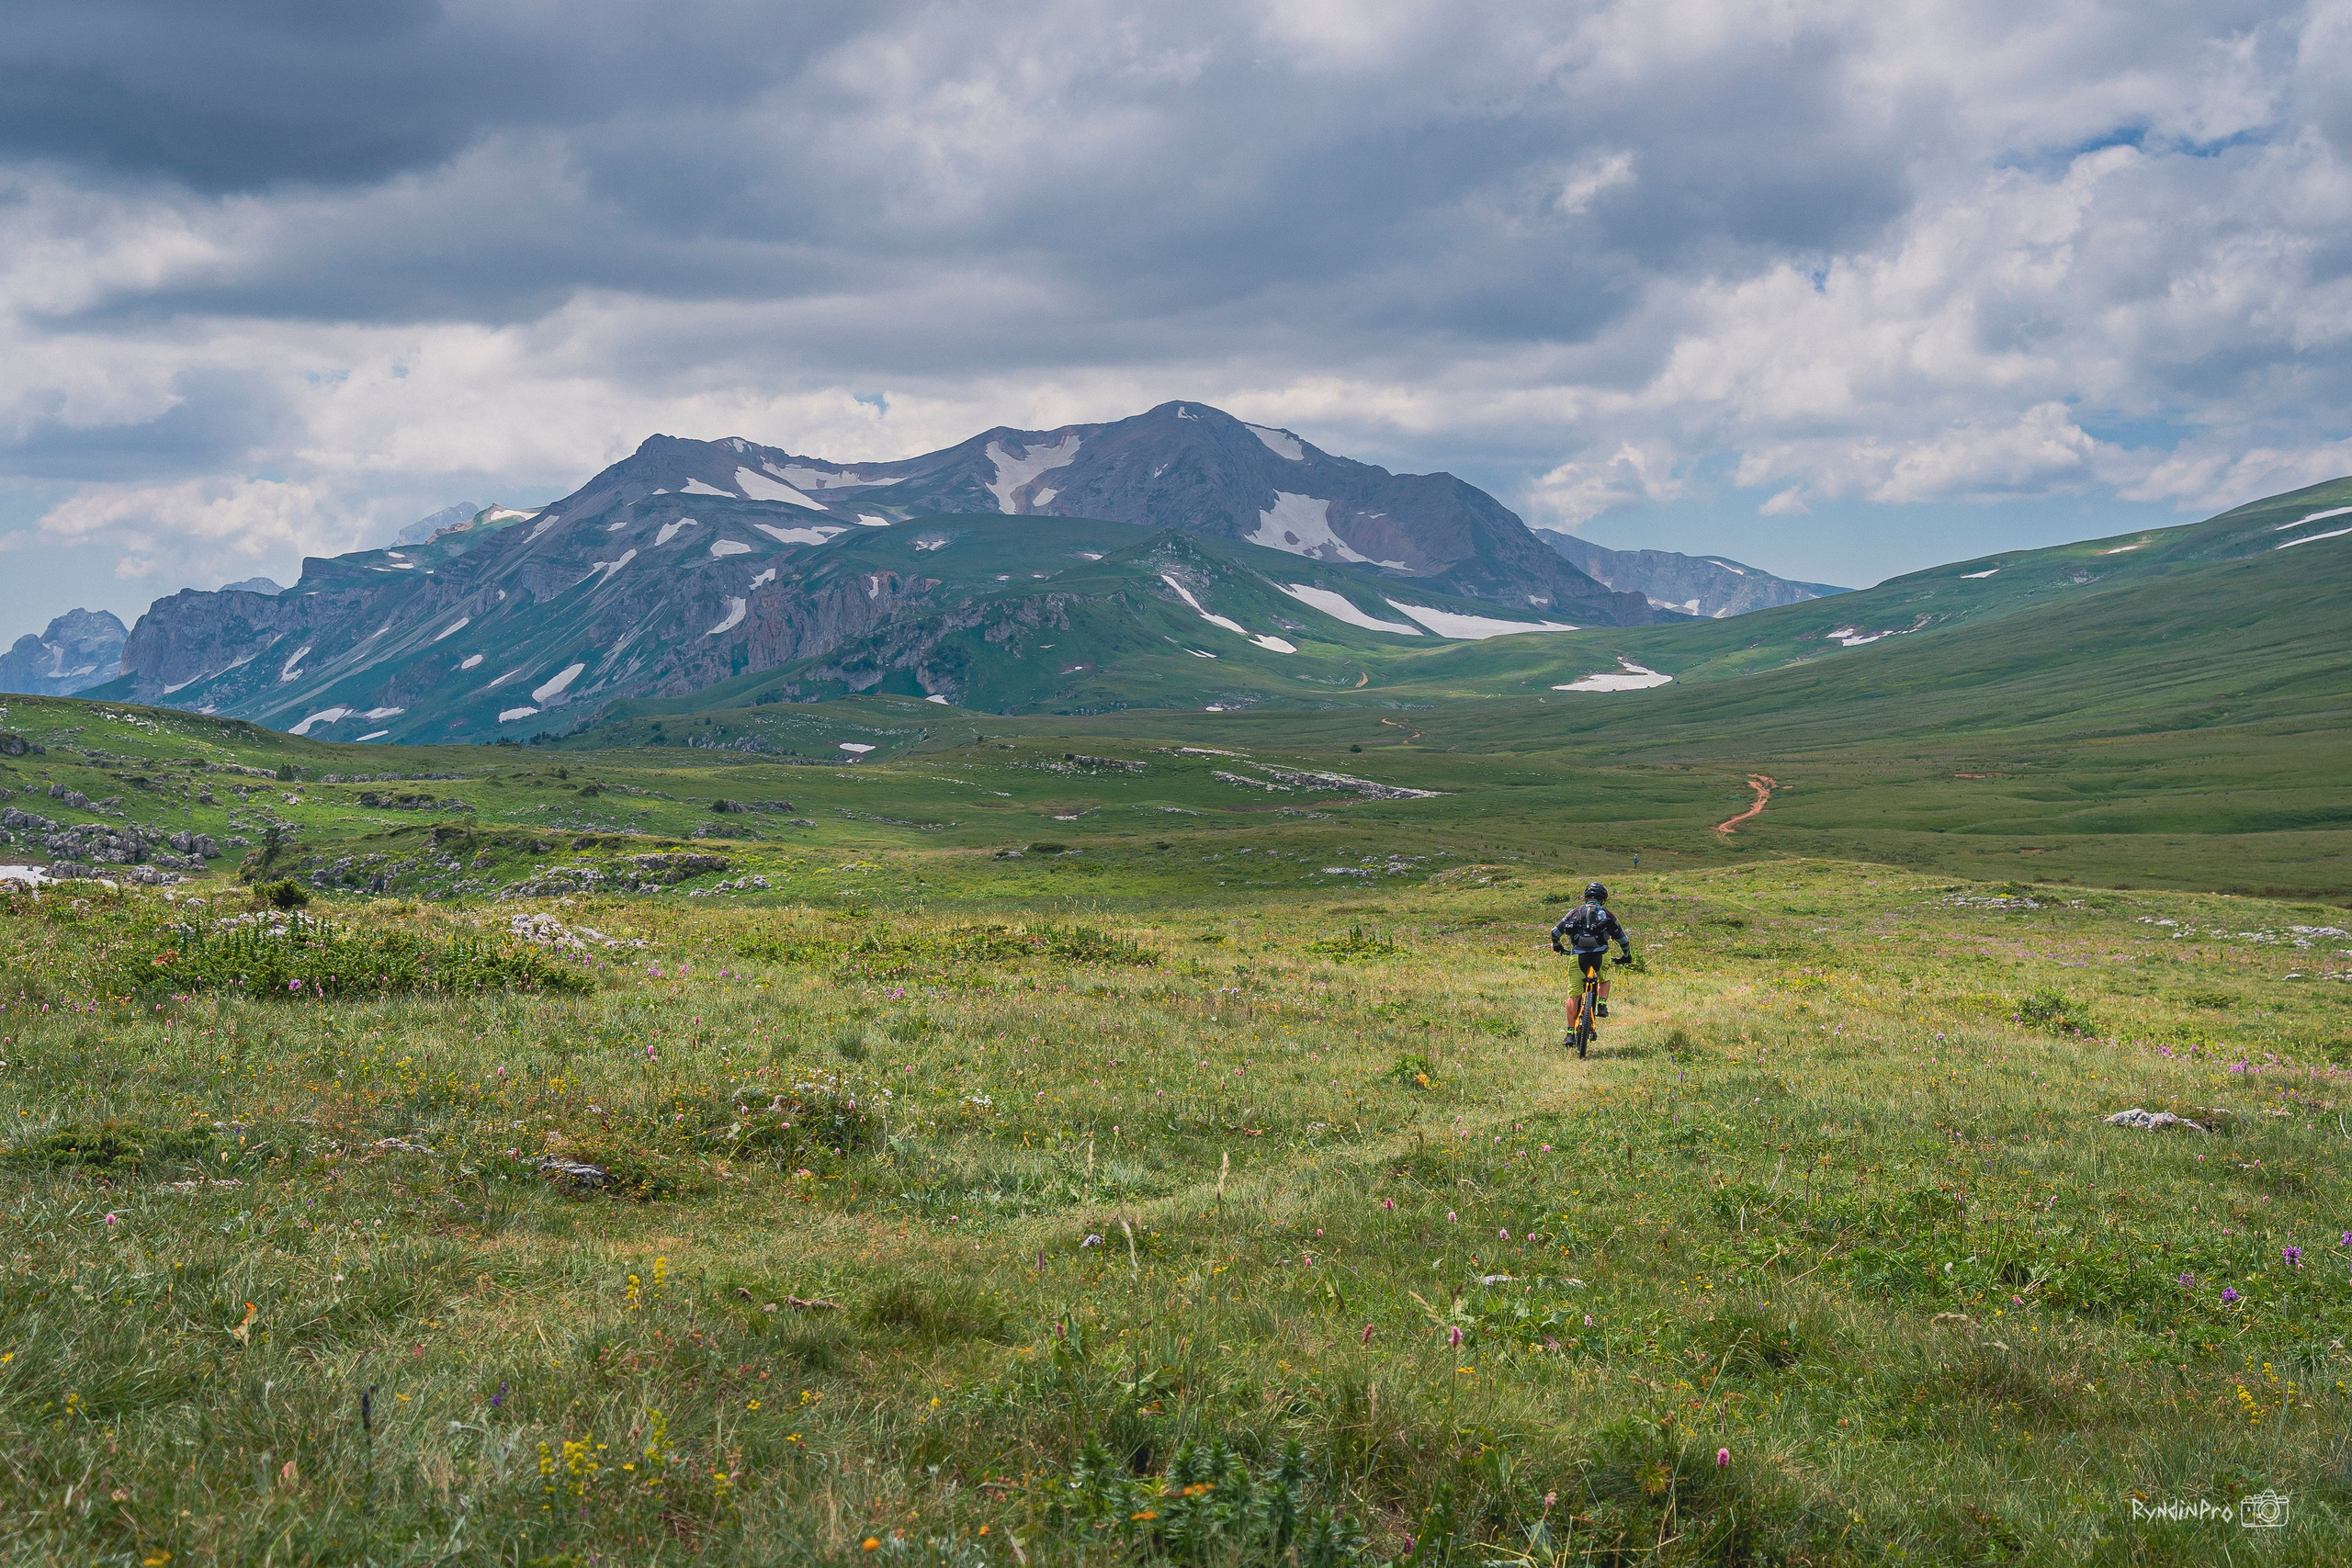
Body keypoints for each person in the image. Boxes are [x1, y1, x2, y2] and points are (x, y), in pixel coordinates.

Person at [1551, 881, 1632, 1044]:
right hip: (1600, 955)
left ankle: (1569, 1034)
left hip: (1578, 956)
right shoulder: (1607, 915)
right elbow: (1622, 939)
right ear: (1603, 900)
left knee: (1573, 994)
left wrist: (1558, 946)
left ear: (1586, 897)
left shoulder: (1574, 912)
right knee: (1604, 978)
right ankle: (1601, 1004)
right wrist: (1626, 955)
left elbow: (1555, 932)